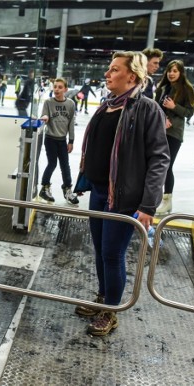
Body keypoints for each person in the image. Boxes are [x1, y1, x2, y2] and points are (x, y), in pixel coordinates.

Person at [74, 51, 169, 336]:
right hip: (100, 192)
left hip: (124, 199)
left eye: (114, 69)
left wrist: (149, 206)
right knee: (101, 252)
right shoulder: (107, 106)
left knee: (112, 254)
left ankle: (112, 311)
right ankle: (104, 298)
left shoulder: (147, 109)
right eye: (109, 69)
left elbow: (159, 159)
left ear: (132, 76)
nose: (107, 74)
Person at [153, 59, 194, 215]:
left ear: (181, 72)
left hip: (174, 134)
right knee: (155, 164)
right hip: (158, 131)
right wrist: (161, 118)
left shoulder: (187, 89)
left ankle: (167, 201)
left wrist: (174, 107)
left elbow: (190, 112)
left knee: (166, 166)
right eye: (170, 70)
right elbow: (155, 106)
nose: (171, 73)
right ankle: (154, 198)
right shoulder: (162, 88)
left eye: (175, 71)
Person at [37, 78, 79, 206]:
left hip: (62, 140)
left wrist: (71, 141)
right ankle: (44, 188)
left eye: (60, 87)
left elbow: (71, 123)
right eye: (55, 87)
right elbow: (45, 116)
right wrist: (44, 118)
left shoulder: (70, 104)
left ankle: (67, 190)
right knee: (52, 164)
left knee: (65, 166)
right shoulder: (48, 102)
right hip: (50, 139)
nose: (57, 89)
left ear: (65, 89)